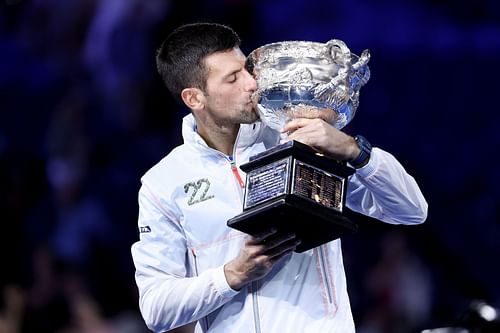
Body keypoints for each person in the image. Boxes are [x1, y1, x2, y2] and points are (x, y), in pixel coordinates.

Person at [131, 22, 428, 333]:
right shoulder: (163, 183)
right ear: (194, 98)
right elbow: (156, 309)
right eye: (233, 78)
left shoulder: (297, 137)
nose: (251, 84)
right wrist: (233, 275)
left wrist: (355, 151)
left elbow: (411, 211)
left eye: (247, 69)